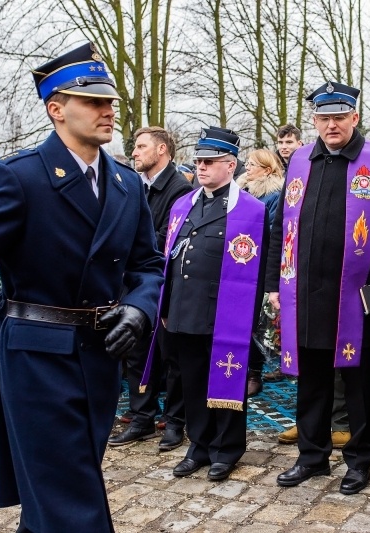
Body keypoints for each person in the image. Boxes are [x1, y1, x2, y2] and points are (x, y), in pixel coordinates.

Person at [0, 42, 164, 532]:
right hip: (36, 358)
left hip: (100, 357)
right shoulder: (20, 177)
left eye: (109, 101)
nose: (108, 110)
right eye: (93, 101)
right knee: (72, 504)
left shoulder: (125, 183)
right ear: (56, 109)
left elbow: (147, 265)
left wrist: (139, 309)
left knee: (54, 495)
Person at [266, 81, 370, 495]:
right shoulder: (299, 161)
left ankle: (359, 461)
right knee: (311, 380)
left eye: (339, 117)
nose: (332, 125)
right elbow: (281, 228)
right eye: (324, 118)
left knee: (357, 384)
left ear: (354, 118)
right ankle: (312, 457)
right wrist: (275, 283)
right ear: (314, 121)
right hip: (304, 293)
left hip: (356, 296)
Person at [145, 126, 268, 482]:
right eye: (199, 160)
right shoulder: (183, 204)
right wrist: (166, 307)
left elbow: (257, 270)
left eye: (210, 161)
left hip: (224, 312)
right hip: (184, 310)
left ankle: (226, 449)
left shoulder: (250, 209)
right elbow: (170, 259)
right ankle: (199, 445)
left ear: (230, 165)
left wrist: (249, 319)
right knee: (193, 382)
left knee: (227, 381)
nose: (201, 166)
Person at [108, 126, 193, 451]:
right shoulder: (136, 186)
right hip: (138, 283)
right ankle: (142, 416)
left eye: (142, 146)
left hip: (168, 284)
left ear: (162, 150)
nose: (134, 152)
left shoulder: (179, 188)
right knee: (137, 352)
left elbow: (165, 239)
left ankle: (174, 421)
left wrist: (127, 249)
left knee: (171, 357)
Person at [238, 148, 285, 397]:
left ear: (267, 170)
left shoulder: (274, 195)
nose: (247, 167)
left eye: (252, 164)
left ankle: (254, 374)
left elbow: (273, 231)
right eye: (246, 163)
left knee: (256, 321)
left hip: (259, 264)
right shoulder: (239, 191)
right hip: (237, 265)